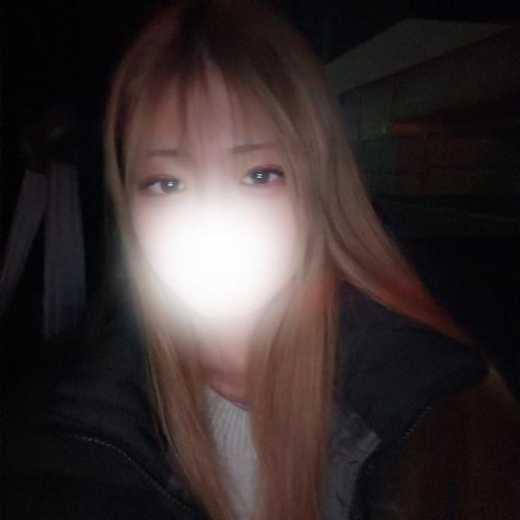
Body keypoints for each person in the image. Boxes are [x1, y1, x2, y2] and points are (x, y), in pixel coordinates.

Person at [4, 1, 520, 519]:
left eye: (259, 174)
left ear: (318, 188)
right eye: (166, 183)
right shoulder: (65, 445)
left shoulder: (445, 427)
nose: (211, 220)